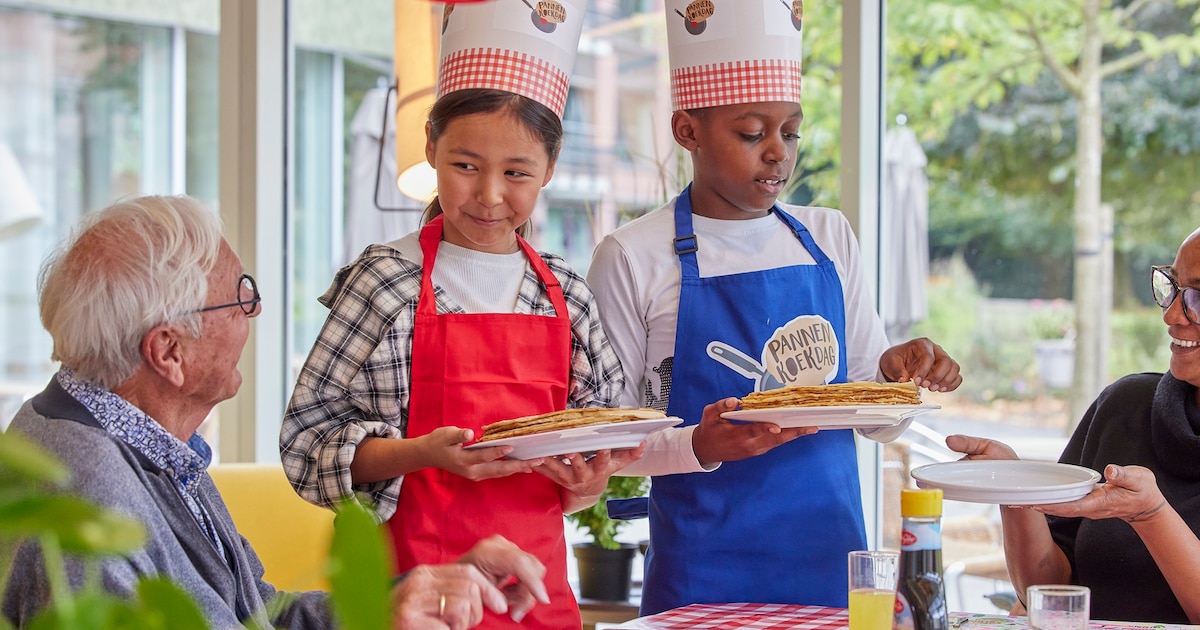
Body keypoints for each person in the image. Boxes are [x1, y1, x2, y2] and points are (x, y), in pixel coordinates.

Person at [0, 195, 551, 630]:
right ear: (169, 352)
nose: (256, 309)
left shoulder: (141, 441)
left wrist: (398, 600)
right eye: (240, 295)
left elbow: (259, 615)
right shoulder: (86, 499)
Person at [586, 0, 963, 615]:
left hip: (832, 566)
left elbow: (873, 417)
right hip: (700, 577)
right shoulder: (632, 255)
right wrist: (700, 446)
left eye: (790, 131)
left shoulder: (830, 235)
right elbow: (611, 441)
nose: (778, 154)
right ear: (687, 131)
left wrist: (897, 378)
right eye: (751, 133)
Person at [279, 3, 637, 628]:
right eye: (465, 166)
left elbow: (596, 458)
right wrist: (420, 454)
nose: (489, 195)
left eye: (517, 173)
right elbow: (305, 448)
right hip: (410, 601)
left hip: (540, 599)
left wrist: (588, 479)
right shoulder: (386, 283)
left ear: (550, 169)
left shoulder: (568, 296)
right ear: (430, 148)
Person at [946, 226, 1200, 624]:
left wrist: (1151, 515)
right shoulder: (1125, 405)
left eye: (1198, 298)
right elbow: (1049, 589)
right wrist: (1016, 488)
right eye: (1173, 287)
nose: (1171, 314)